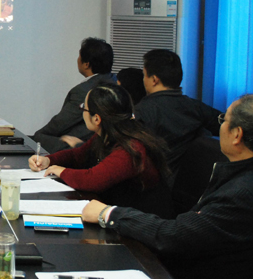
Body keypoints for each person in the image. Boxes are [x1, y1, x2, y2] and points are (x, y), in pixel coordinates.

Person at [82, 94, 253, 279]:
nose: (220, 125)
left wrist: (109, 214)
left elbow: (175, 235)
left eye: (224, 119)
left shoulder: (241, 193)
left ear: (237, 134)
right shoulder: (236, 176)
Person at [30, 83, 171, 216]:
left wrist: (61, 171)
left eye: (83, 108)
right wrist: (49, 160)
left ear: (97, 119)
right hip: (117, 212)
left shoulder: (130, 149)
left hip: (140, 222)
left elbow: (93, 180)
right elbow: (77, 156)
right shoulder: (107, 134)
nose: (82, 111)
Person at [135, 49, 220, 174]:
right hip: (187, 181)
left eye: (144, 75)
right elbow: (226, 124)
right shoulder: (196, 108)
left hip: (151, 180)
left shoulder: (141, 111)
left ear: (154, 80)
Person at [31, 38, 116, 153]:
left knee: (37, 139)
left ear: (86, 64)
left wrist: (38, 136)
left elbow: (60, 124)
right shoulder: (115, 81)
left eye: (79, 56)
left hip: (83, 147)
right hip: (102, 145)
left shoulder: (84, 90)